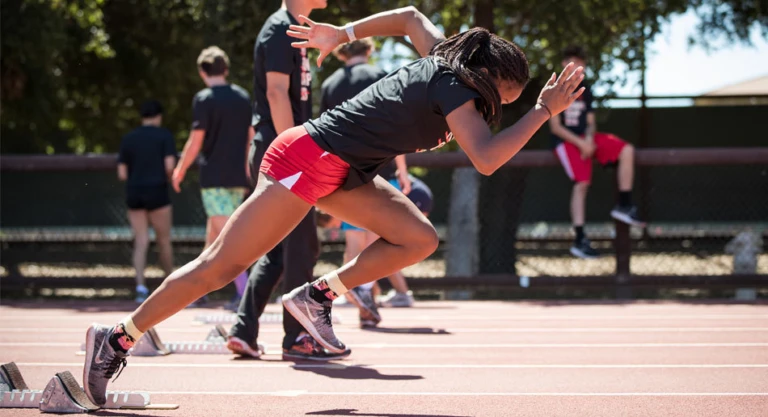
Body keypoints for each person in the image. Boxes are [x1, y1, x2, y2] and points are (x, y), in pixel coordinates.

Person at [82, 6, 585, 406]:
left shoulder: (448, 62)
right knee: (219, 267)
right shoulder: (456, 87)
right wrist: (543, 111)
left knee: (419, 238)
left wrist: (341, 33)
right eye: (502, 100)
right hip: (307, 159)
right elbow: (488, 159)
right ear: (486, 79)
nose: (494, 111)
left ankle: (317, 295)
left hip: (345, 173)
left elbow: (409, 16)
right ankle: (118, 337)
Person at [225, 0, 346, 362]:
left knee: (278, 250)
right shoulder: (280, 27)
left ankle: (243, 330)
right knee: (302, 245)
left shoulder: (294, 26)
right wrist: (294, 151)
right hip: (282, 151)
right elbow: (276, 92)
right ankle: (296, 338)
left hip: (278, 148)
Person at [319, 39, 413, 326]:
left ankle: (361, 297)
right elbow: (396, 128)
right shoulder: (380, 77)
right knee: (377, 241)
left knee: (353, 242)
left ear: (341, 52)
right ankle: (364, 294)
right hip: (377, 167)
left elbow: (324, 130)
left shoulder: (330, 85)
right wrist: (402, 170)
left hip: (341, 169)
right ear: (369, 51)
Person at [171, 46, 252, 305]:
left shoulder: (204, 99)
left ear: (202, 72)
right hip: (238, 176)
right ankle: (199, 292)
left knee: (228, 239)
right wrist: (250, 171)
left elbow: (196, 141)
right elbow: (251, 138)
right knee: (213, 237)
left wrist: (180, 169)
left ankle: (246, 294)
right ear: (225, 69)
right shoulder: (242, 97)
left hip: (214, 178)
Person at [549, 46, 646, 259]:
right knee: (582, 182)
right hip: (566, 141)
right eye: (573, 62)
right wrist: (581, 144)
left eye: (581, 63)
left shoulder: (586, 89)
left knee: (626, 149)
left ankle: (624, 204)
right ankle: (580, 238)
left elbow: (591, 123)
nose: (578, 67)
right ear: (564, 64)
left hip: (585, 139)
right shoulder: (554, 89)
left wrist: (590, 140)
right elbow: (555, 127)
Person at [117, 100, 176, 303]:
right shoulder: (164, 136)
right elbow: (170, 166)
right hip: (157, 191)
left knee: (141, 241)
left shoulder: (129, 139)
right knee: (164, 240)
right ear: (158, 116)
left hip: (134, 192)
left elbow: (122, 173)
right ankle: (170, 285)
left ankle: (141, 287)